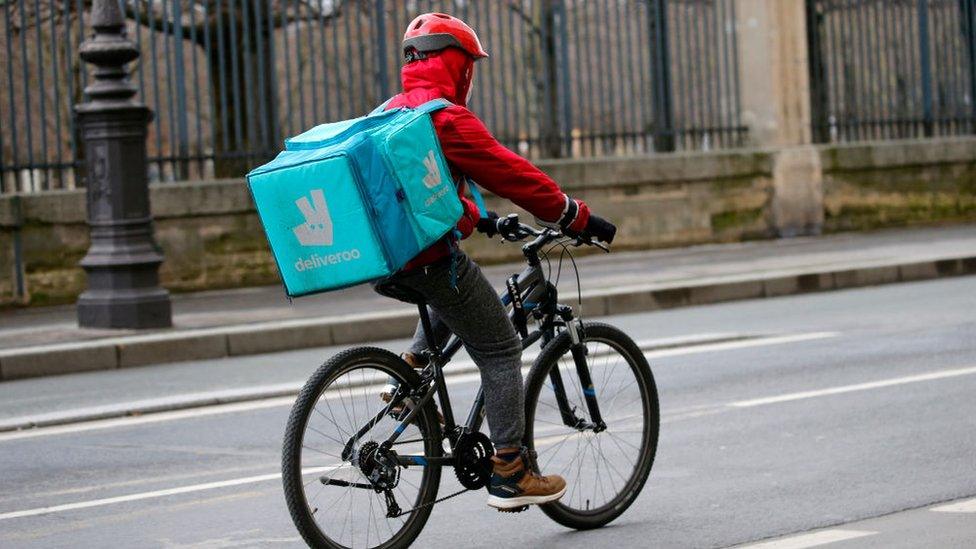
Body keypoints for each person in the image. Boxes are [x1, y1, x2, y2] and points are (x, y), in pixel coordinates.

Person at [374, 12, 617, 511]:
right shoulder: (446, 118)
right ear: (457, 65)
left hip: (386, 258)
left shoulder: (393, 111)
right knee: (501, 349)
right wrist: (576, 216)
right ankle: (511, 470)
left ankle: (408, 376)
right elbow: (514, 174)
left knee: (457, 284)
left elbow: (426, 187)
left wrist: (482, 219)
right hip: (427, 258)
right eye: (471, 66)